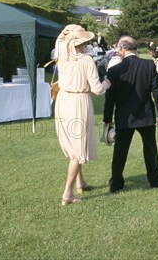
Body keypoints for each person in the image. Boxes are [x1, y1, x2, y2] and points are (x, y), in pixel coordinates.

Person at [54, 25, 111, 205]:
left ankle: (80, 182)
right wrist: (108, 83)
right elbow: (97, 89)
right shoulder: (86, 61)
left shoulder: (62, 58)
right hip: (79, 103)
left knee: (74, 145)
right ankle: (67, 194)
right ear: (83, 42)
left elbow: (59, 42)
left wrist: (64, 33)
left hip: (63, 101)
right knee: (78, 151)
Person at [103, 36, 158, 193]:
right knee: (150, 149)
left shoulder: (113, 70)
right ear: (135, 48)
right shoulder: (148, 65)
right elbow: (157, 92)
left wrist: (107, 120)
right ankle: (156, 180)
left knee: (120, 151)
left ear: (123, 49)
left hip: (124, 117)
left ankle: (116, 183)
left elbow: (109, 99)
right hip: (146, 115)